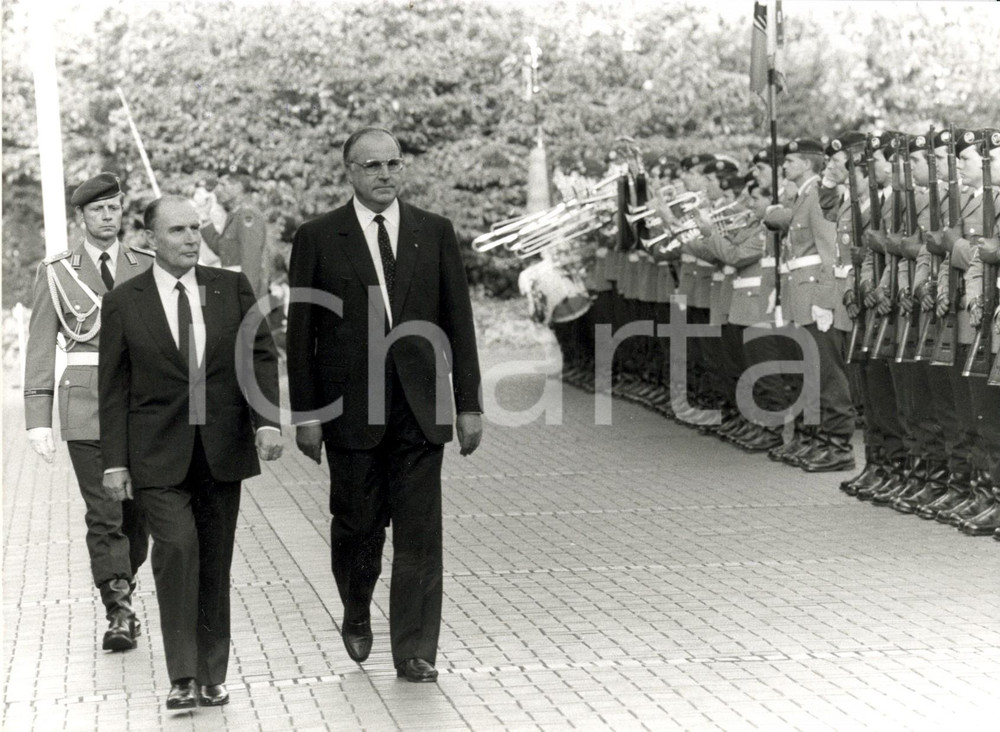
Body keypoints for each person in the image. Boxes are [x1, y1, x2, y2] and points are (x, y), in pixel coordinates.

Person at [286, 126, 483, 683]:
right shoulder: (319, 237)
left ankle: (415, 650)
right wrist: (306, 415)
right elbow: (300, 336)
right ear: (349, 171)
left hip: (421, 410)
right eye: (371, 166)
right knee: (357, 527)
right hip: (350, 411)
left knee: (421, 534)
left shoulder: (434, 232)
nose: (384, 176)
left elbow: (459, 324)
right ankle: (355, 602)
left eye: (393, 164)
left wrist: (468, 402)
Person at [99, 195, 283, 710]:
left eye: (194, 229)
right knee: (177, 552)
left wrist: (266, 421)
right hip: (156, 454)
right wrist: (114, 461)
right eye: (177, 230)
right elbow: (112, 387)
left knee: (214, 565)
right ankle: (181, 676)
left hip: (221, 450)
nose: (189, 239)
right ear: (150, 239)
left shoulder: (230, 289)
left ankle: (211, 674)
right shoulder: (125, 300)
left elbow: (259, 355)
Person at [23, 172, 152, 652]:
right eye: (97, 210)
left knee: (137, 515)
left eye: (114, 208)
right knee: (105, 514)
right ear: (81, 217)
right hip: (86, 404)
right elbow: (40, 344)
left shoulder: (146, 264)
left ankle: (124, 583)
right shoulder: (56, 272)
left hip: (143, 404)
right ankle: (118, 610)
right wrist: (38, 418)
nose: (107, 216)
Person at [196, 164, 268, 299]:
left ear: (238, 187)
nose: (217, 190)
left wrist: (246, 299)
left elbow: (251, 263)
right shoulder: (235, 214)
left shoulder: (247, 215)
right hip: (232, 289)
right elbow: (222, 249)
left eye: (223, 185)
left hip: (242, 294)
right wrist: (205, 219)